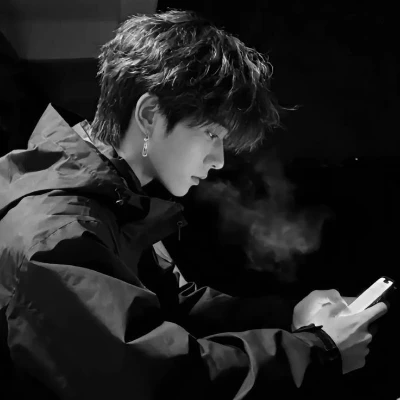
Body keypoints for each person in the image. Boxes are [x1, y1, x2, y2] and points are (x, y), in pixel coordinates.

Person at [0, 10, 387, 400]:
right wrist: (319, 352)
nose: (218, 160)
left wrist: (292, 315)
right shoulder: (59, 233)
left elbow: (179, 305)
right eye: (211, 134)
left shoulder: (115, 195)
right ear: (149, 115)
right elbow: (163, 381)